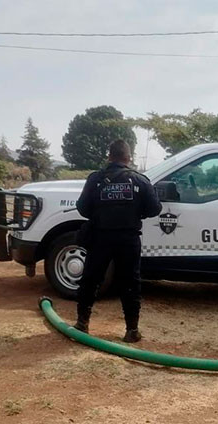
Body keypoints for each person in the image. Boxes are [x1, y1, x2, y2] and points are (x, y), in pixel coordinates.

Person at [74, 139, 162, 342]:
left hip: (100, 237)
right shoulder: (140, 181)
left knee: (90, 279)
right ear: (128, 158)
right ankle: (131, 330)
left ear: (109, 156)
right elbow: (155, 209)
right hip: (128, 240)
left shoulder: (95, 179)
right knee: (130, 283)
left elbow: (82, 208)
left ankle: (82, 324)